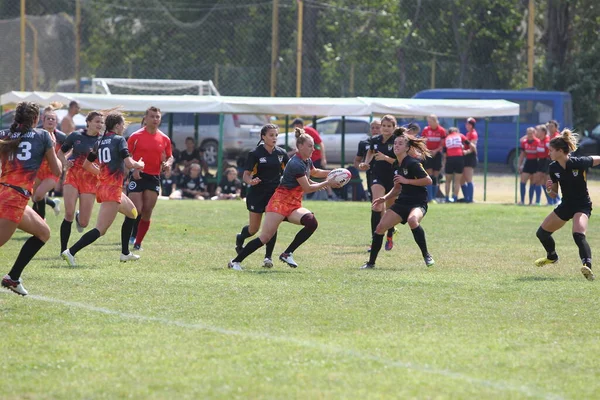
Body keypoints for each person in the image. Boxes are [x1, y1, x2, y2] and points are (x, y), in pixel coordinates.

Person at [228, 128, 341, 271]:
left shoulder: (306, 160)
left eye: (314, 146)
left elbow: (315, 172)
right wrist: (328, 182)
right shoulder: (296, 164)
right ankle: (235, 261)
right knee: (264, 237)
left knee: (311, 222)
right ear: (299, 147)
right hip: (279, 203)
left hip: (293, 204)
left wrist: (335, 172)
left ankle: (287, 253)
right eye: (310, 146)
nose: (313, 149)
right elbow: (307, 188)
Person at [61, 111, 144, 266]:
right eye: (123, 124)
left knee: (132, 213)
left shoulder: (99, 142)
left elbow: (86, 165)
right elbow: (129, 163)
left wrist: (102, 174)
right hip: (111, 189)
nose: (124, 127)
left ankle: (125, 253)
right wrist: (140, 164)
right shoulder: (119, 140)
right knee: (100, 230)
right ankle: (70, 251)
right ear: (118, 125)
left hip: (105, 186)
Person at [1, 101, 62, 296]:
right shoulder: (43, 135)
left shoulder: (4, 134)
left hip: (8, 193)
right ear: (36, 119)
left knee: (43, 232)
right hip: (13, 198)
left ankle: (13, 278)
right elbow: (57, 170)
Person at [360, 128, 434, 269]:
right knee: (380, 228)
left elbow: (428, 180)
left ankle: (426, 255)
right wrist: (384, 198)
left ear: (407, 148)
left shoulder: (413, 163)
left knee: (413, 220)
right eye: (395, 143)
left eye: (400, 144)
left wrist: (408, 181)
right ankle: (370, 263)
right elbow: (397, 188)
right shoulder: (396, 164)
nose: (396, 146)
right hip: (402, 203)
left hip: (418, 203)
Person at [534, 129, 600, 281]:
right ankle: (552, 256)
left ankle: (587, 266)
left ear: (559, 151)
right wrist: (549, 188)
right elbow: (553, 194)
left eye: (550, 150)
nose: (548, 153)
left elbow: (597, 159)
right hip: (566, 205)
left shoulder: (579, 162)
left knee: (578, 234)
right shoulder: (553, 167)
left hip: (582, 205)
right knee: (542, 233)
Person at [235, 124, 289, 268]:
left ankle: (268, 257)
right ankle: (240, 238)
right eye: (271, 135)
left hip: (274, 195)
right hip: (257, 194)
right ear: (263, 137)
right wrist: (251, 181)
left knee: (272, 225)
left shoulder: (281, 153)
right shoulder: (255, 153)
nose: (274, 138)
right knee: (253, 229)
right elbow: (246, 175)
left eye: (276, 135)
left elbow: (290, 171)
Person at [126, 106, 174, 250]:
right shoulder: (135, 136)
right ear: (145, 119)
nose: (155, 119)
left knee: (147, 211)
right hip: (137, 175)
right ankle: (128, 235)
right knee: (136, 209)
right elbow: (126, 155)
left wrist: (167, 164)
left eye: (157, 117)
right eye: (152, 116)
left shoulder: (164, 139)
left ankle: (138, 242)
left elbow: (170, 155)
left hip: (153, 177)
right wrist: (133, 168)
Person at [57, 111, 103, 254]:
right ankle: (63, 250)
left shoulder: (102, 140)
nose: (99, 125)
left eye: (101, 122)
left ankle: (79, 217)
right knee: (68, 213)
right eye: (97, 121)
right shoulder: (75, 135)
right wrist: (65, 163)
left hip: (90, 180)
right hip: (73, 175)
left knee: (84, 223)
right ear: (88, 122)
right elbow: (60, 153)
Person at [359, 115, 400, 251]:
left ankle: (389, 234)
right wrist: (366, 163)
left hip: (393, 178)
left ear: (394, 128)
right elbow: (370, 152)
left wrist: (385, 158)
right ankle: (374, 239)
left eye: (389, 126)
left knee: (390, 210)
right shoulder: (375, 140)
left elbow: (399, 162)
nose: (386, 128)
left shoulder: (397, 141)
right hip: (377, 176)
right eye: (384, 126)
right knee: (376, 206)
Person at [31, 104, 67, 219]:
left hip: (53, 171)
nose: (51, 121)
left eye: (53, 119)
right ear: (43, 120)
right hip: (38, 170)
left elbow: (69, 151)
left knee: (39, 195)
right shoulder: (37, 134)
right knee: (35, 198)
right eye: (48, 119)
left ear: (56, 122)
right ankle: (43, 216)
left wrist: (65, 161)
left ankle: (41, 221)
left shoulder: (61, 137)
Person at [442, 127, 476, 203]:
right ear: (456, 131)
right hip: (459, 158)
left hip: (449, 159)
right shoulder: (460, 135)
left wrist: (444, 164)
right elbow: (472, 146)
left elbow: (444, 154)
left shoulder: (446, 138)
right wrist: (471, 152)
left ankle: (447, 198)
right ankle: (454, 198)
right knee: (457, 181)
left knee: (448, 181)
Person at [421, 114, 447, 202]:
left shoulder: (441, 130)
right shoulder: (426, 130)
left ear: (435, 121)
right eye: (428, 121)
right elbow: (423, 141)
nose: (429, 123)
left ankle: (434, 197)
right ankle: (430, 198)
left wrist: (436, 151)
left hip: (437, 154)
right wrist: (428, 151)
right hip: (428, 154)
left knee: (435, 176)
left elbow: (442, 143)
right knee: (429, 175)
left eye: (430, 121)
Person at [354, 119, 381, 200]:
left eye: (377, 127)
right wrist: (361, 166)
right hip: (371, 174)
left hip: (386, 174)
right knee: (374, 200)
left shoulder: (387, 142)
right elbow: (357, 161)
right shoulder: (364, 143)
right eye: (372, 128)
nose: (375, 130)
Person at [517, 127, 541, 205]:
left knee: (533, 183)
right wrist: (519, 165)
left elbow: (540, 155)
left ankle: (531, 202)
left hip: (535, 163)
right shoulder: (524, 142)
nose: (530, 135)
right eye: (528, 133)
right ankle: (522, 201)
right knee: (523, 181)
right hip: (528, 162)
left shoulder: (538, 142)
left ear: (534, 133)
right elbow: (522, 154)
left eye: (531, 133)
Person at [460, 117, 478, 203]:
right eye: (466, 123)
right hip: (465, 157)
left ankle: (470, 199)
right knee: (462, 180)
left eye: (468, 124)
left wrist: (466, 151)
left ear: (472, 125)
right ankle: (466, 197)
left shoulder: (473, 133)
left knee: (468, 179)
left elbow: (473, 147)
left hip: (470, 157)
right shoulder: (467, 133)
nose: (466, 125)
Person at [535, 124, 552, 205]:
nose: (536, 132)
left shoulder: (547, 141)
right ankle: (538, 201)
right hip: (540, 161)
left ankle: (551, 201)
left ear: (543, 132)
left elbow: (551, 152)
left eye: (537, 131)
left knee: (546, 181)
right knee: (539, 181)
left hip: (547, 161)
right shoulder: (539, 140)